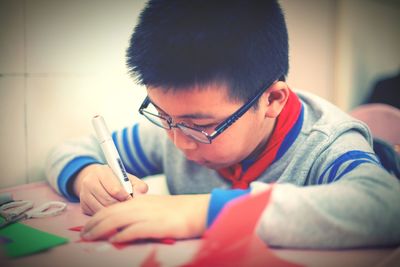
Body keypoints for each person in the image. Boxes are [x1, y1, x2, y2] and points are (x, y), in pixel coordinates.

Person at [46, 0, 400, 249]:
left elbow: (387, 207)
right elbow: (71, 150)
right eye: (163, 115)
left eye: (199, 125)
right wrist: (87, 176)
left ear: (272, 100)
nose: (179, 142)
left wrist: (205, 213)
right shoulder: (172, 129)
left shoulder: (324, 143)